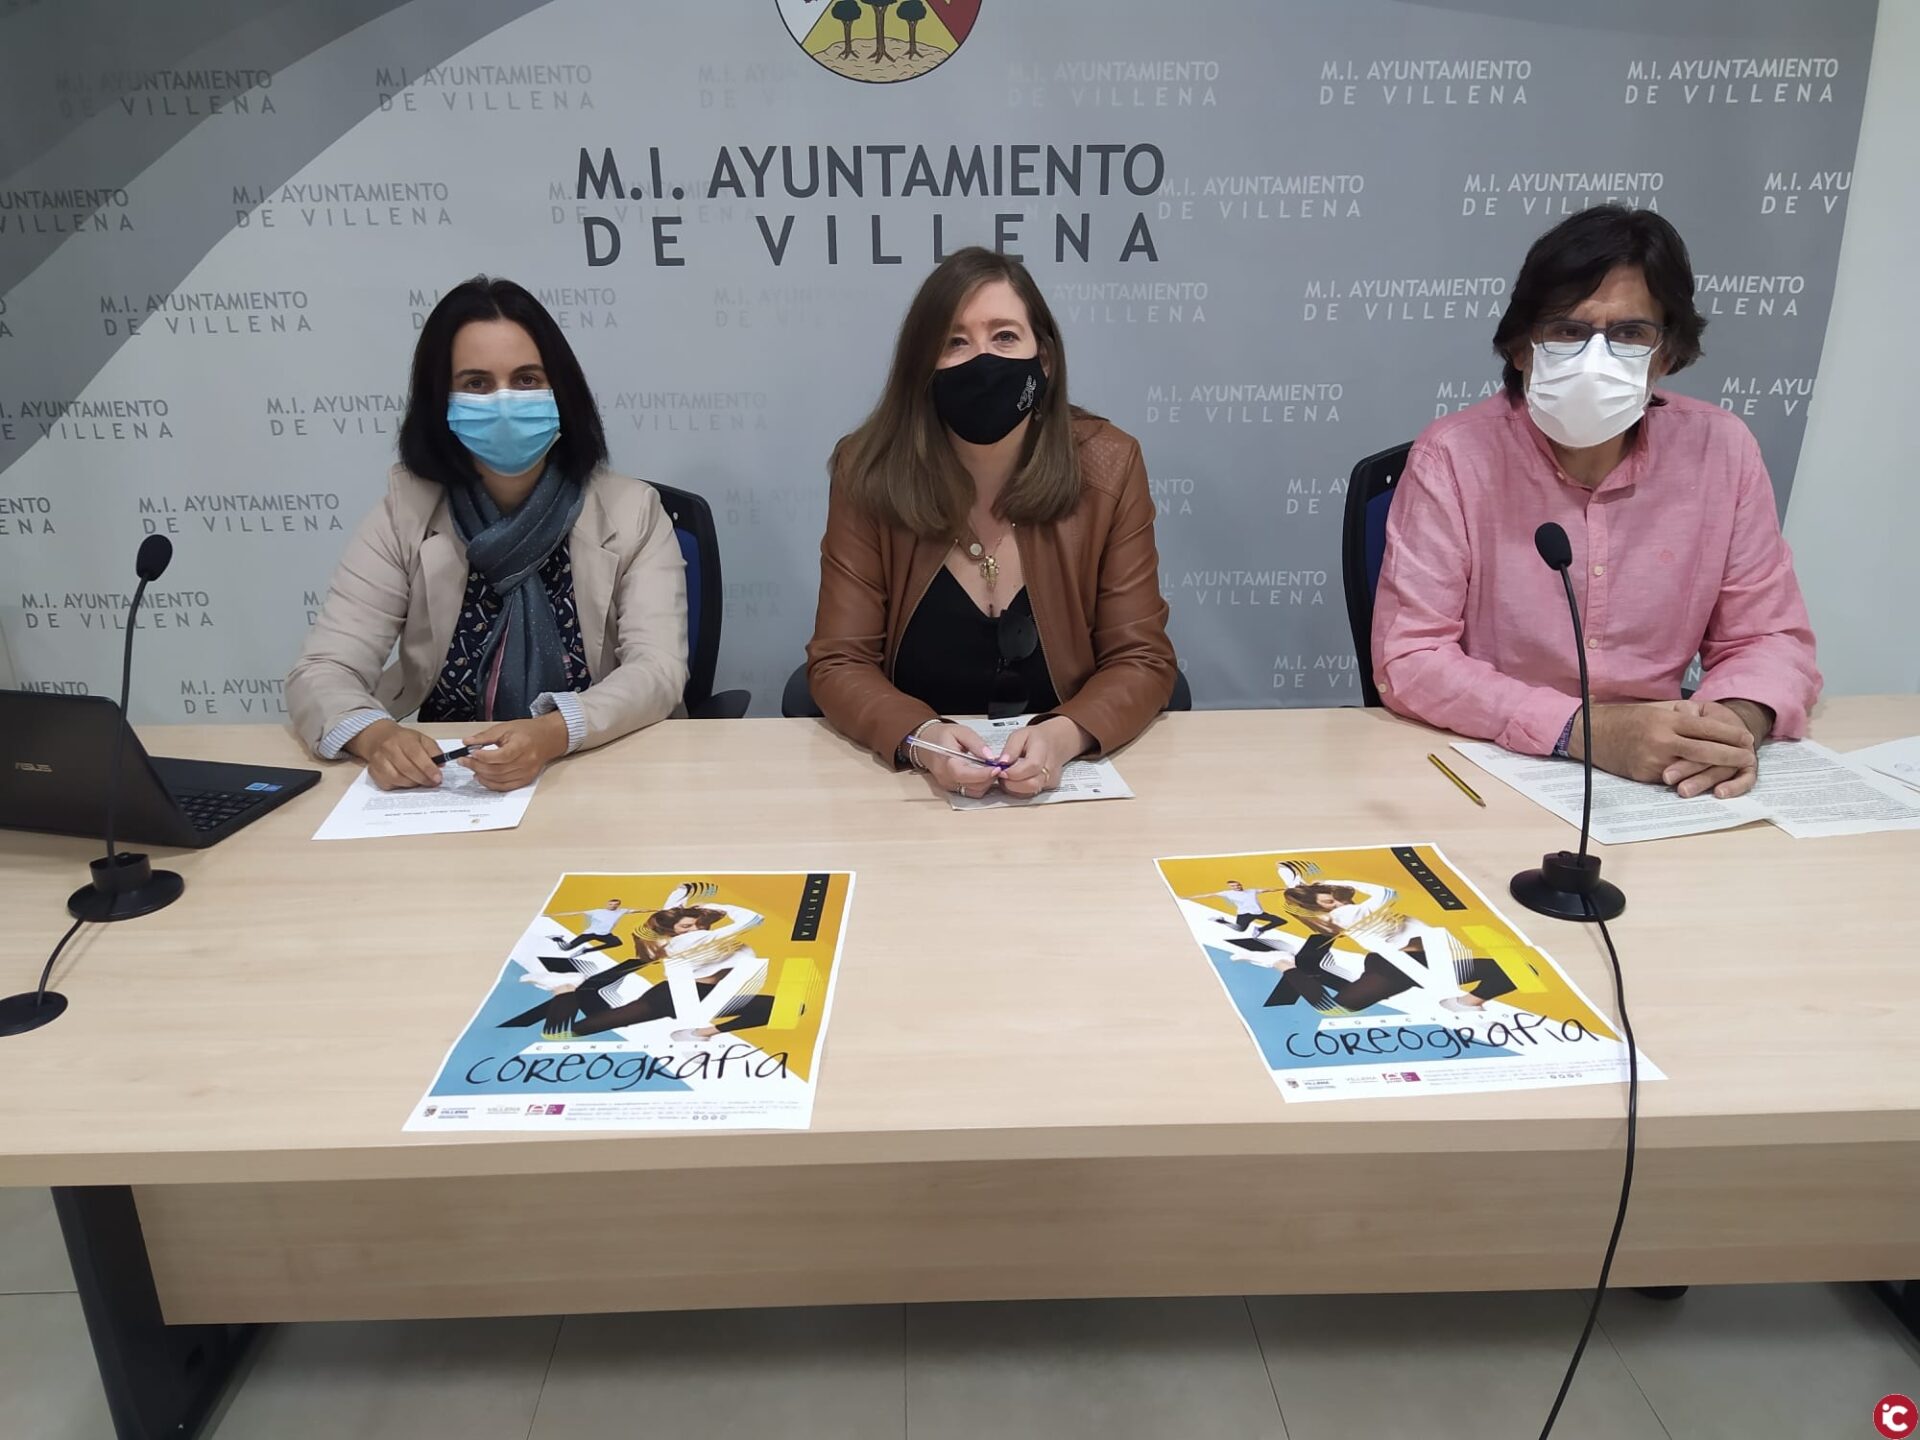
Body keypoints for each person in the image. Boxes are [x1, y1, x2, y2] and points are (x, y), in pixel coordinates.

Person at [1372, 207, 1820, 800]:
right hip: (1492, 766)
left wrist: (1726, 730)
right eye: (1568, 331)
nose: (1595, 360)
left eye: (1629, 334)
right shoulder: (1453, 457)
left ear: (1666, 354)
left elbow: (1769, 638)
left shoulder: (1722, 450)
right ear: (1521, 347)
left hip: (1668, 775)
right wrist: (1587, 732)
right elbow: (1412, 658)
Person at [286, 276, 688, 792]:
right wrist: (376, 736)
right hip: (448, 777)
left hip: (592, 765)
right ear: (441, 400)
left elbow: (657, 669)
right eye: (476, 383)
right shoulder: (404, 513)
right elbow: (324, 668)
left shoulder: (632, 510)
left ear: (561, 392)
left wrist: (552, 733)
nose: (504, 401)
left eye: (526, 379)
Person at [806, 246, 1177, 800]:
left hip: (1066, 793)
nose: (982, 360)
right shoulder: (869, 471)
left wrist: (1065, 734)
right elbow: (840, 660)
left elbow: (1141, 657)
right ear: (922, 366)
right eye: (955, 342)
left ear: (1043, 361)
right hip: (914, 795)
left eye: (1004, 336)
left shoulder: (1110, 465)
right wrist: (922, 739)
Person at [1190, 880, 1289, 935]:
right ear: (1231, 887)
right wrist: (1189, 897)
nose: (1237, 887)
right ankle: (1220, 920)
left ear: (1240, 885)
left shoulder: (1251, 891)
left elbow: (1269, 890)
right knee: (1240, 929)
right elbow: (1208, 895)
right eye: (1233, 886)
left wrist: (1285, 888)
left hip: (1258, 913)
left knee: (1281, 921)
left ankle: (1260, 930)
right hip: (1244, 914)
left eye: (1238, 885)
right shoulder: (1227, 893)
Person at [549, 898, 635, 956]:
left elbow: (637, 910)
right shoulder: (597, 911)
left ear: (618, 905)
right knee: (566, 948)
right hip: (590, 933)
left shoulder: (621, 911)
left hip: (605, 934)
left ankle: (585, 950)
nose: (613, 906)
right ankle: (557, 938)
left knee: (617, 942)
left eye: (615, 904)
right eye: (611, 904)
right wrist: (552, 915)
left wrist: (645, 909)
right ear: (607, 904)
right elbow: (575, 913)